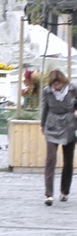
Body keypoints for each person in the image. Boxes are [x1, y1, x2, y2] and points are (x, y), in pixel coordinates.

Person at [40, 68, 77, 206]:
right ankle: (49, 194)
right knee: (50, 160)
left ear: (63, 81)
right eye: (54, 84)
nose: (57, 87)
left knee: (68, 161)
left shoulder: (73, 89)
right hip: (52, 125)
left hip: (69, 125)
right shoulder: (47, 91)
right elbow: (45, 108)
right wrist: (42, 124)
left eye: (59, 84)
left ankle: (65, 191)